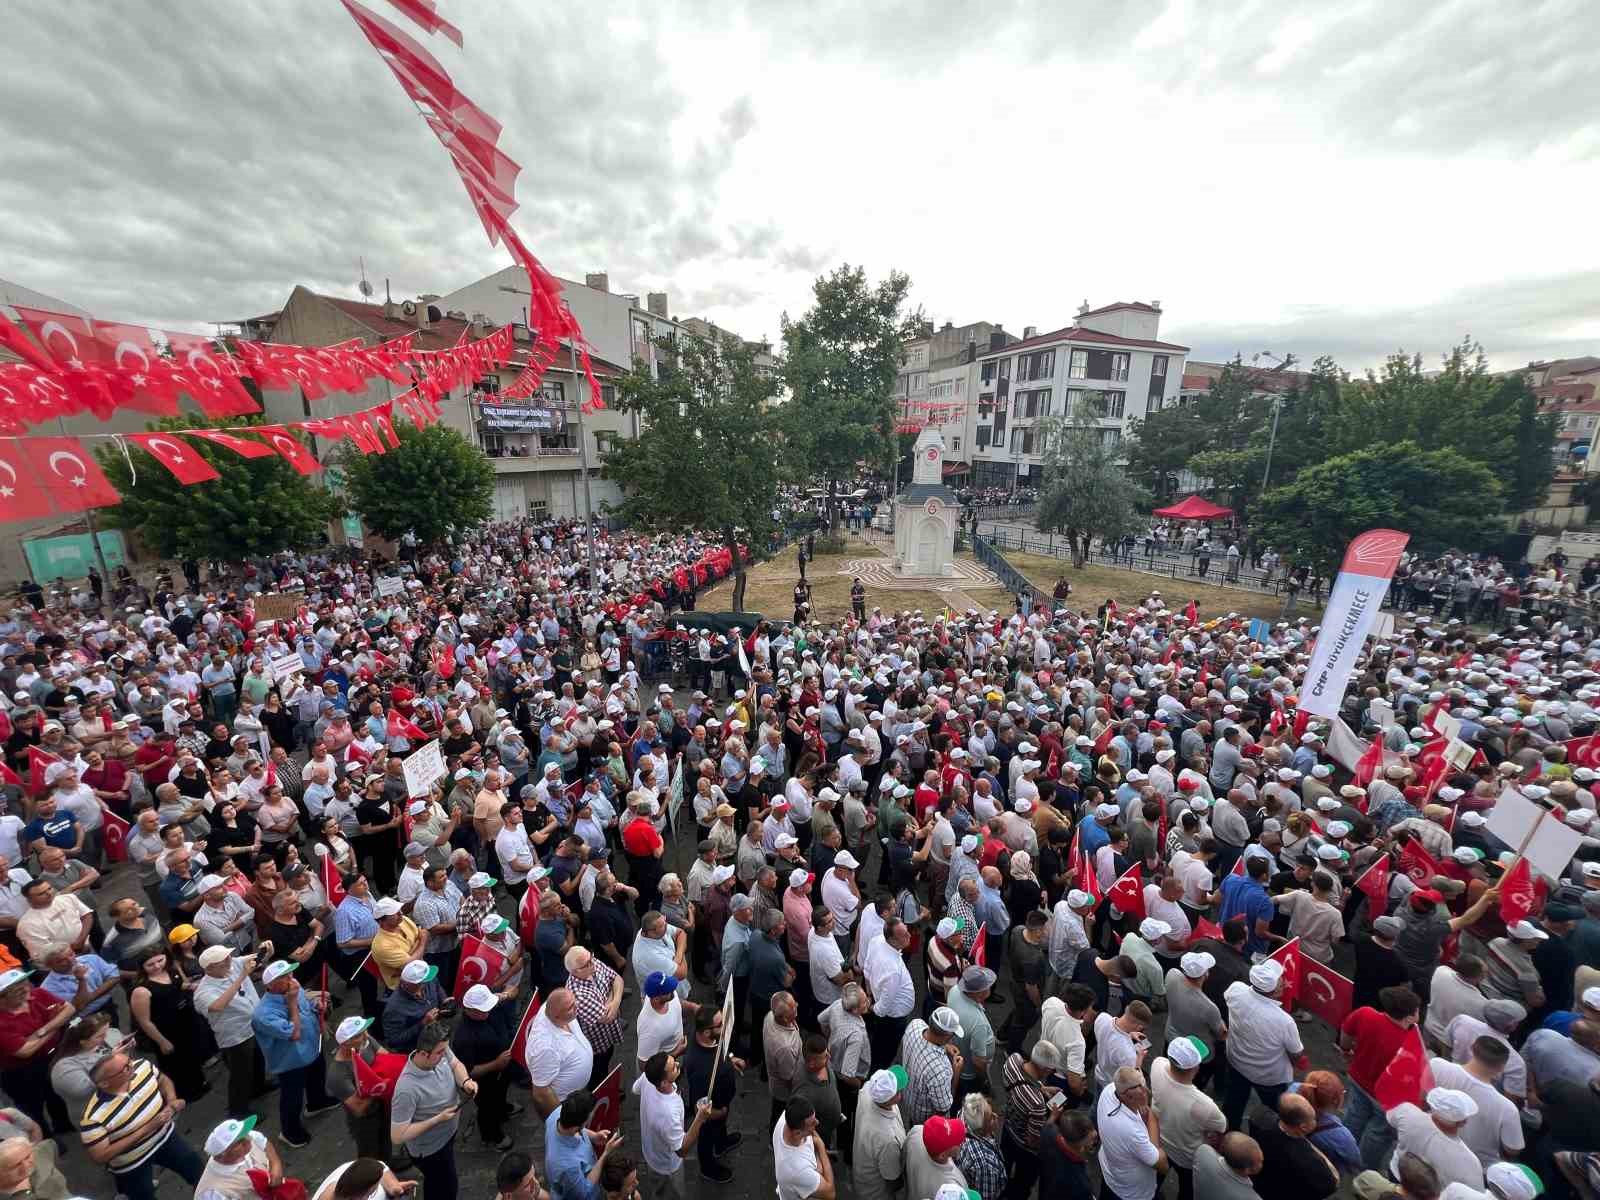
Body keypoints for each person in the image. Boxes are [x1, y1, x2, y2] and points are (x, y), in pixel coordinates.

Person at [79, 1049, 205, 1200]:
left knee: (200, 1174)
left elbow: (163, 1080)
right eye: (125, 1068)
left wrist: (171, 1100)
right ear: (104, 1083)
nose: (132, 1066)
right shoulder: (93, 1118)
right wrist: (147, 1128)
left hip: (167, 1139)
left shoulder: (144, 1067)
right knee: (143, 1196)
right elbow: (100, 1156)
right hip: (132, 1164)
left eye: (129, 1060)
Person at [251, 959, 338, 1149]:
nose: (291, 979)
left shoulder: (293, 989)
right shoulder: (263, 1014)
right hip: (290, 1060)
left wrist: (317, 1006)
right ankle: (289, 1131)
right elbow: (294, 1033)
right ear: (271, 985)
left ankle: (317, 1101)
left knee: (317, 1074)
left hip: (312, 1045)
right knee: (292, 1097)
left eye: (291, 974)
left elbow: (307, 1005)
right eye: (285, 977)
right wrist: (291, 1002)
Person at [1341, 985, 1425, 1169]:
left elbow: (1346, 1033)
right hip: (1384, 1098)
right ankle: (1363, 1168)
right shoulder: (1409, 1045)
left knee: (1354, 1114)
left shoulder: (1365, 1014)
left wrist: (1346, 1051)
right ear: (1409, 1016)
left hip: (1358, 1078)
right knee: (1378, 1133)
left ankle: (1342, 1151)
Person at [391, 1020, 475, 1200]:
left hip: (448, 1134)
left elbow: (455, 1065)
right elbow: (397, 1135)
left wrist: (466, 1081)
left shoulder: (440, 1049)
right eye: (439, 1053)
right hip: (431, 1150)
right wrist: (437, 1119)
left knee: (445, 1181)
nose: (444, 1054)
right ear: (423, 1053)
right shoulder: (406, 1089)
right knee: (443, 1188)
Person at [1221, 958, 1304, 1130]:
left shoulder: (1235, 990)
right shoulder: (1284, 1021)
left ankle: (1229, 1134)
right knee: (1276, 1112)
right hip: (1268, 1077)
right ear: (1273, 992)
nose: (1283, 980)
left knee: (1233, 1104)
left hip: (1237, 1062)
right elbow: (1296, 1053)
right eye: (1280, 979)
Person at [194, 944, 268, 1121]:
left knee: (258, 1059)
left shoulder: (233, 963)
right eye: (224, 960)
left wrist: (267, 949)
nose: (229, 960)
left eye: (228, 956)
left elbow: (257, 958)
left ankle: (259, 1087)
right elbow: (218, 1006)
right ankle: (238, 1111)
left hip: (253, 1023)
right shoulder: (203, 992)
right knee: (240, 1074)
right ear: (210, 968)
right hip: (235, 1035)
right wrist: (243, 976)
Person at [631, 1049, 712, 1200]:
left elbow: (635, 1089)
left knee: (657, 1189)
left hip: (650, 1152)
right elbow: (681, 1150)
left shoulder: (648, 1077)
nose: (677, 1063)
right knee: (675, 1193)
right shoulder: (668, 1113)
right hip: (666, 1164)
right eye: (673, 1067)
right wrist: (700, 1118)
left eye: (673, 1060)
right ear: (663, 1083)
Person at [1152, 1036, 1226, 1200]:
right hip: (1187, 1158)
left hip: (1160, 1140)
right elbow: (1221, 1127)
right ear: (1196, 1068)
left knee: (1154, 1181)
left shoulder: (1157, 1064)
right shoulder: (1203, 1105)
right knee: (1187, 1190)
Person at [681, 1003, 747, 1185]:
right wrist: (720, 1112)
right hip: (714, 1110)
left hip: (722, 1100)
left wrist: (731, 1058)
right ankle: (707, 1167)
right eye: (720, 1024)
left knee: (719, 1128)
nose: (724, 1026)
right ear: (706, 1032)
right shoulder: (701, 1067)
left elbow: (720, 1047)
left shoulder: (709, 1035)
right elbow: (699, 1107)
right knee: (706, 1136)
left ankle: (721, 1143)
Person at [452, 983, 521, 1152]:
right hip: (484, 1082)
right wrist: (495, 1064)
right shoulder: (464, 1038)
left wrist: (508, 994)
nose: (488, 1011)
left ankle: (503, 1109)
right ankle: (493, 1136)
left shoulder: (487, 1006)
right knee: (487, 1109)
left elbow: (509, 993)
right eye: (483, 1010)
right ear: (469, 1010)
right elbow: (468, 1071)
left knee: (501, 1094)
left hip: (502, 1071)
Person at [1385, 1088, 1485, 1193]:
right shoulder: (1470, 1162)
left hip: (1396, 1174)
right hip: (1422, 1194)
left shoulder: (1407, 1113)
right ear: (1463, 1122)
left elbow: (1390, 1117)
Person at [1247, 1092, 1339, 1200]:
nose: (1316, 1121)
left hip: (1261, 1183)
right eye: (1314, 1119)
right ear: (1303, 1127)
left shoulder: (1260, 1117)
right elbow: (1333, 1183)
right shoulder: (1307, 1160)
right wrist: (1308, 1144)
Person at [1098, 1065, 1167, 1200]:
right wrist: (1150, 1115)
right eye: (1142, 1088)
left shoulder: (1109, 1090)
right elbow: (1162, 1165)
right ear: (1128, 1096)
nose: (1146, 1092)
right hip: (1131, 1192)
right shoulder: (1131, 1131)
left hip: (1110, 1174)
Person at [526, 987, 595, 1118]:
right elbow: (541, 1093)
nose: (577, 1007)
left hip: (578, 1093)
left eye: (575, 1001)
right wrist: (561, 1119)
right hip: (565, 1103)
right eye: (571, 1007)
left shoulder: (554, 1006)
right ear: (556, 1016)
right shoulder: (545, 1048)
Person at [545, 1089, 624, 1200]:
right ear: (580, 1124)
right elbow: (584, 1191)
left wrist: (594, 1136)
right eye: (589, 1117)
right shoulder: (568, 1168)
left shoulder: (557, 1115)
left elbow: (576, 1129)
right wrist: (605, 1153)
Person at [195, 1115, 291, 1200]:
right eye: (239, 1142)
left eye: (245, 1133)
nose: (248, 1139)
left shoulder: (249, 1136)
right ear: (222, 1155)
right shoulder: (212, 1193)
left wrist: (276, 1165)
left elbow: (266, 1144)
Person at [852, 1066, 909, 1200]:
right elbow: (892, 1179)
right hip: (876, 1193)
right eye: (898, 1090)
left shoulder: (867, 1089)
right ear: (894, 1097)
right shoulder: (887, 1139)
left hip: (862, 1173)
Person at [905, 1113, 969, 1200]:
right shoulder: (951, 1188)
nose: (963, 1141)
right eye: (957, 1142)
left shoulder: (917, 1131)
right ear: (942, 1155)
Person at [1193, 1133, 1264, 1200]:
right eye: (1261, 1161)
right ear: (1247, 1170)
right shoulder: (1251, 1198)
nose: (1262, 1162)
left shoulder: (1203, 1151)